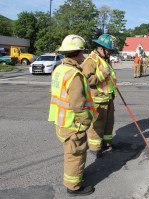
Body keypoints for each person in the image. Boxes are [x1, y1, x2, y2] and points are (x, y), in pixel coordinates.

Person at [48, 34, 98, 197]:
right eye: (82, 53)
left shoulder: (59, 69)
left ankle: (75, 177)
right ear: (76, 53)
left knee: (71, 153)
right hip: (73, 124)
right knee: (75, 155)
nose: (83, 56)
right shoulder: (74, 75)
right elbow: (78, 104)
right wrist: (86, 121)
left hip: (61, 121)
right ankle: (74, 186)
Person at [81, 34, 118, 158]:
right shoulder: (91, 61)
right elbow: (87, 80)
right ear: (101, 48)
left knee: (109, 123)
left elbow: (110, 79)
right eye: (109, 50)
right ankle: (95, 149)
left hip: (108, 98)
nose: (110, 53)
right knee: (97, 125)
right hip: (97, 100)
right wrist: (102, 74)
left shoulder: (104, 59)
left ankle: (106, 143)